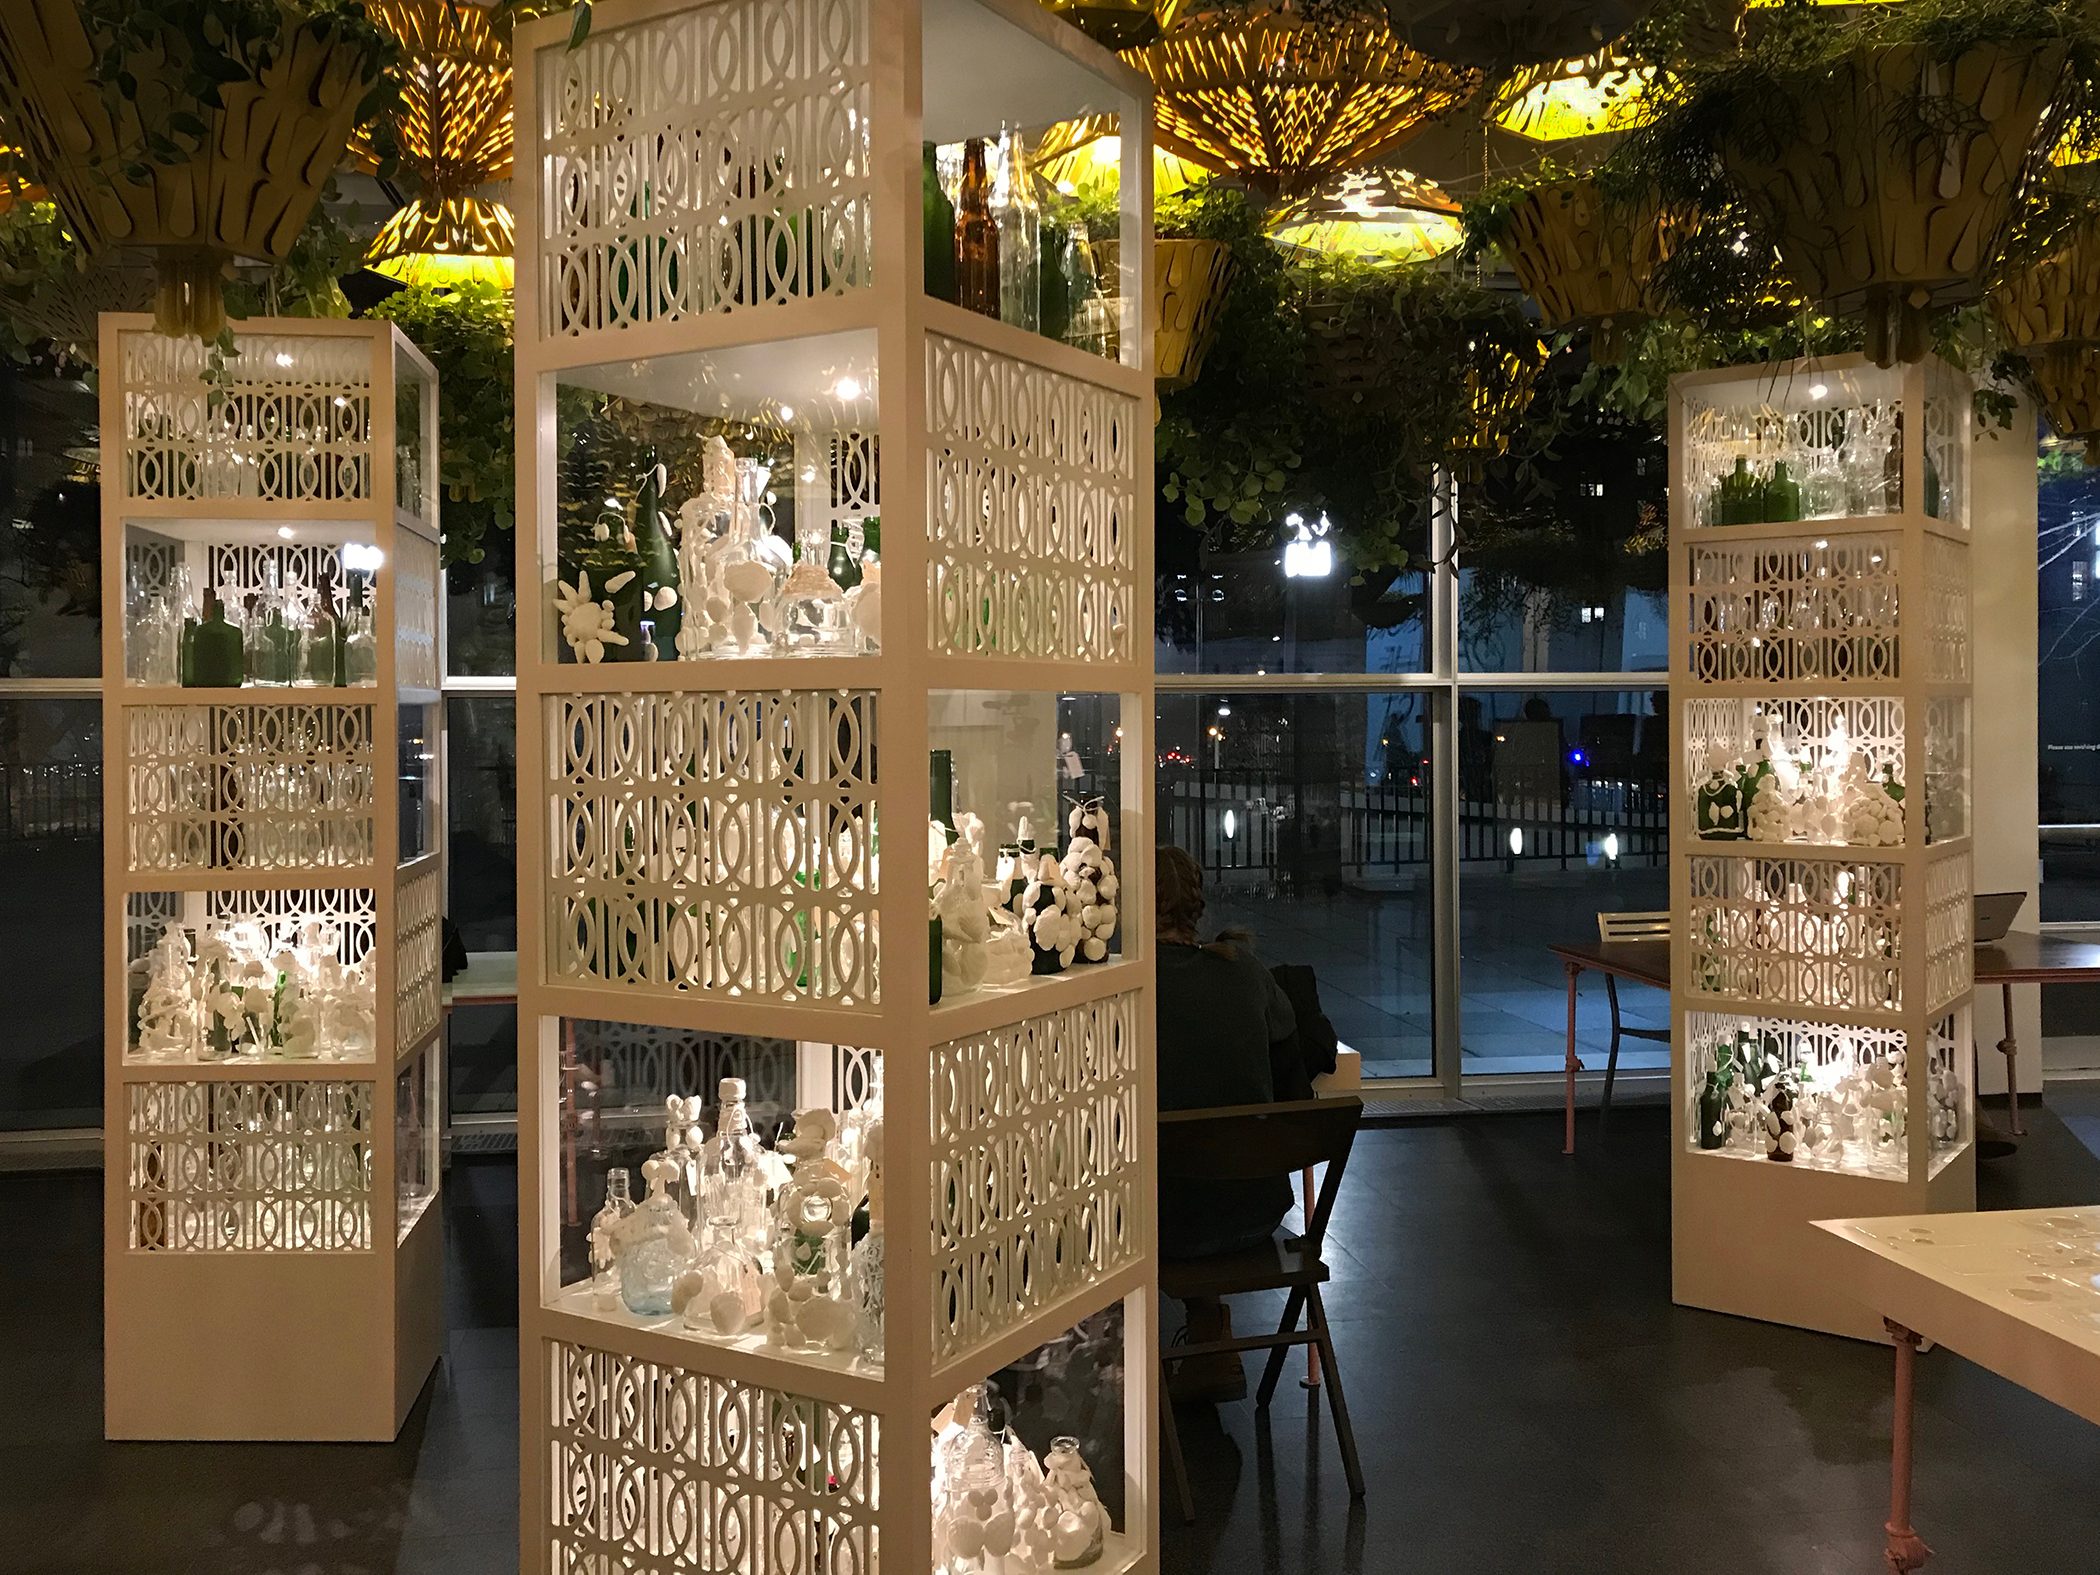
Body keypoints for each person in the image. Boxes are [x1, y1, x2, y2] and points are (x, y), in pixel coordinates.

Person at [1155, 845, 1297, 1401]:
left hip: (1167, 1227)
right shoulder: (1246, 972)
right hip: (1257, 1213)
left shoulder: (1130, 989)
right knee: (1200, 1170)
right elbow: (1291, 1052)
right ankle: (1210, 1331)